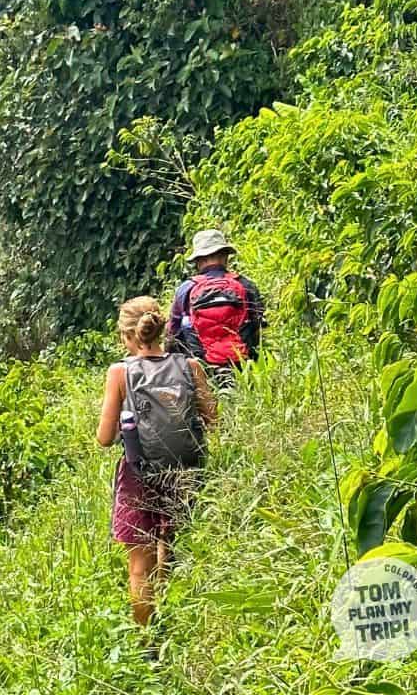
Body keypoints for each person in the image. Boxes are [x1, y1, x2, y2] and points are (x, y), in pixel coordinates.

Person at [97, 297, 217, 626]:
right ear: (161, 328)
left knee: (139, 568)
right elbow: (213, 419)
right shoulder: (190, 367)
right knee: (171, 544)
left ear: (127, 336)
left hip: (139, 474)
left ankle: (148, 640)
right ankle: (173, 615)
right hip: (184, 471)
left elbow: (104, 438)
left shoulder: (120, 372)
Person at [167, 229, 264, 384]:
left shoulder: (186, 289)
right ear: (225, 257)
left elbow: (172, 333)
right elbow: (259, 325)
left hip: (201, 368)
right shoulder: (245, 285)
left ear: (198, 261)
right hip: (243, 365)